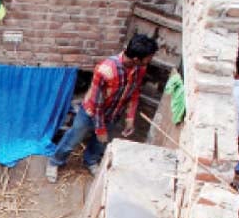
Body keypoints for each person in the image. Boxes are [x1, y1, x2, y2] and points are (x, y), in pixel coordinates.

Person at [46, 34, 159, 183]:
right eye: (148, 57)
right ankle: (55, 162)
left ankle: (90, 161)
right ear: (136, 59)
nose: (150, 60)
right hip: (90, 112)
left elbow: (135, 91)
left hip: (113, 114)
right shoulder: (105, 70)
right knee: (74, 138)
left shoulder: (139, 69)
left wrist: (130, 118)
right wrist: (100, 129)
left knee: (100, 143)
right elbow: (96, 103)